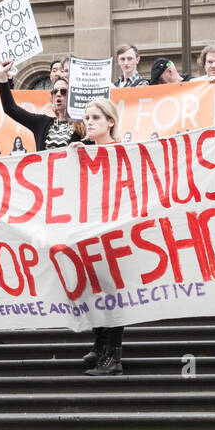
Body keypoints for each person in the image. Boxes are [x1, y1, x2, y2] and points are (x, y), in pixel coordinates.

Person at [74, 98, 128, 377]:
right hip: (90, 233)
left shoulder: (122, 152)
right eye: (87, 117)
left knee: (113, 293)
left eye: (95, 117)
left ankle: (113, 357)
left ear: (110, 121)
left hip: (115, 233)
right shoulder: (83, 152)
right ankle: (101, 342)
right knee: (95, 291)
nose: (89, 122)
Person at [0, 59, 82, 149]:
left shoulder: (83, 127)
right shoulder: (42, 123)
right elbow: (11, 109)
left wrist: (85, 149)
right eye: (55, 91)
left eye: (64, 91)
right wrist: (2, 78)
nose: (58, 94)